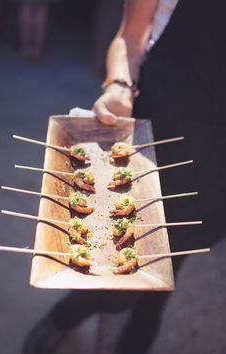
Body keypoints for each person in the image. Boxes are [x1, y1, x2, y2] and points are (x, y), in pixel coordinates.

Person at [23, 0, 226, 353]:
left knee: (176, 253)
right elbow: (130, 39)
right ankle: (65, 316)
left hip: (219, 155)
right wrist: (118, 86)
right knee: (121, 280)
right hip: (162, 129)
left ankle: (140, 334)